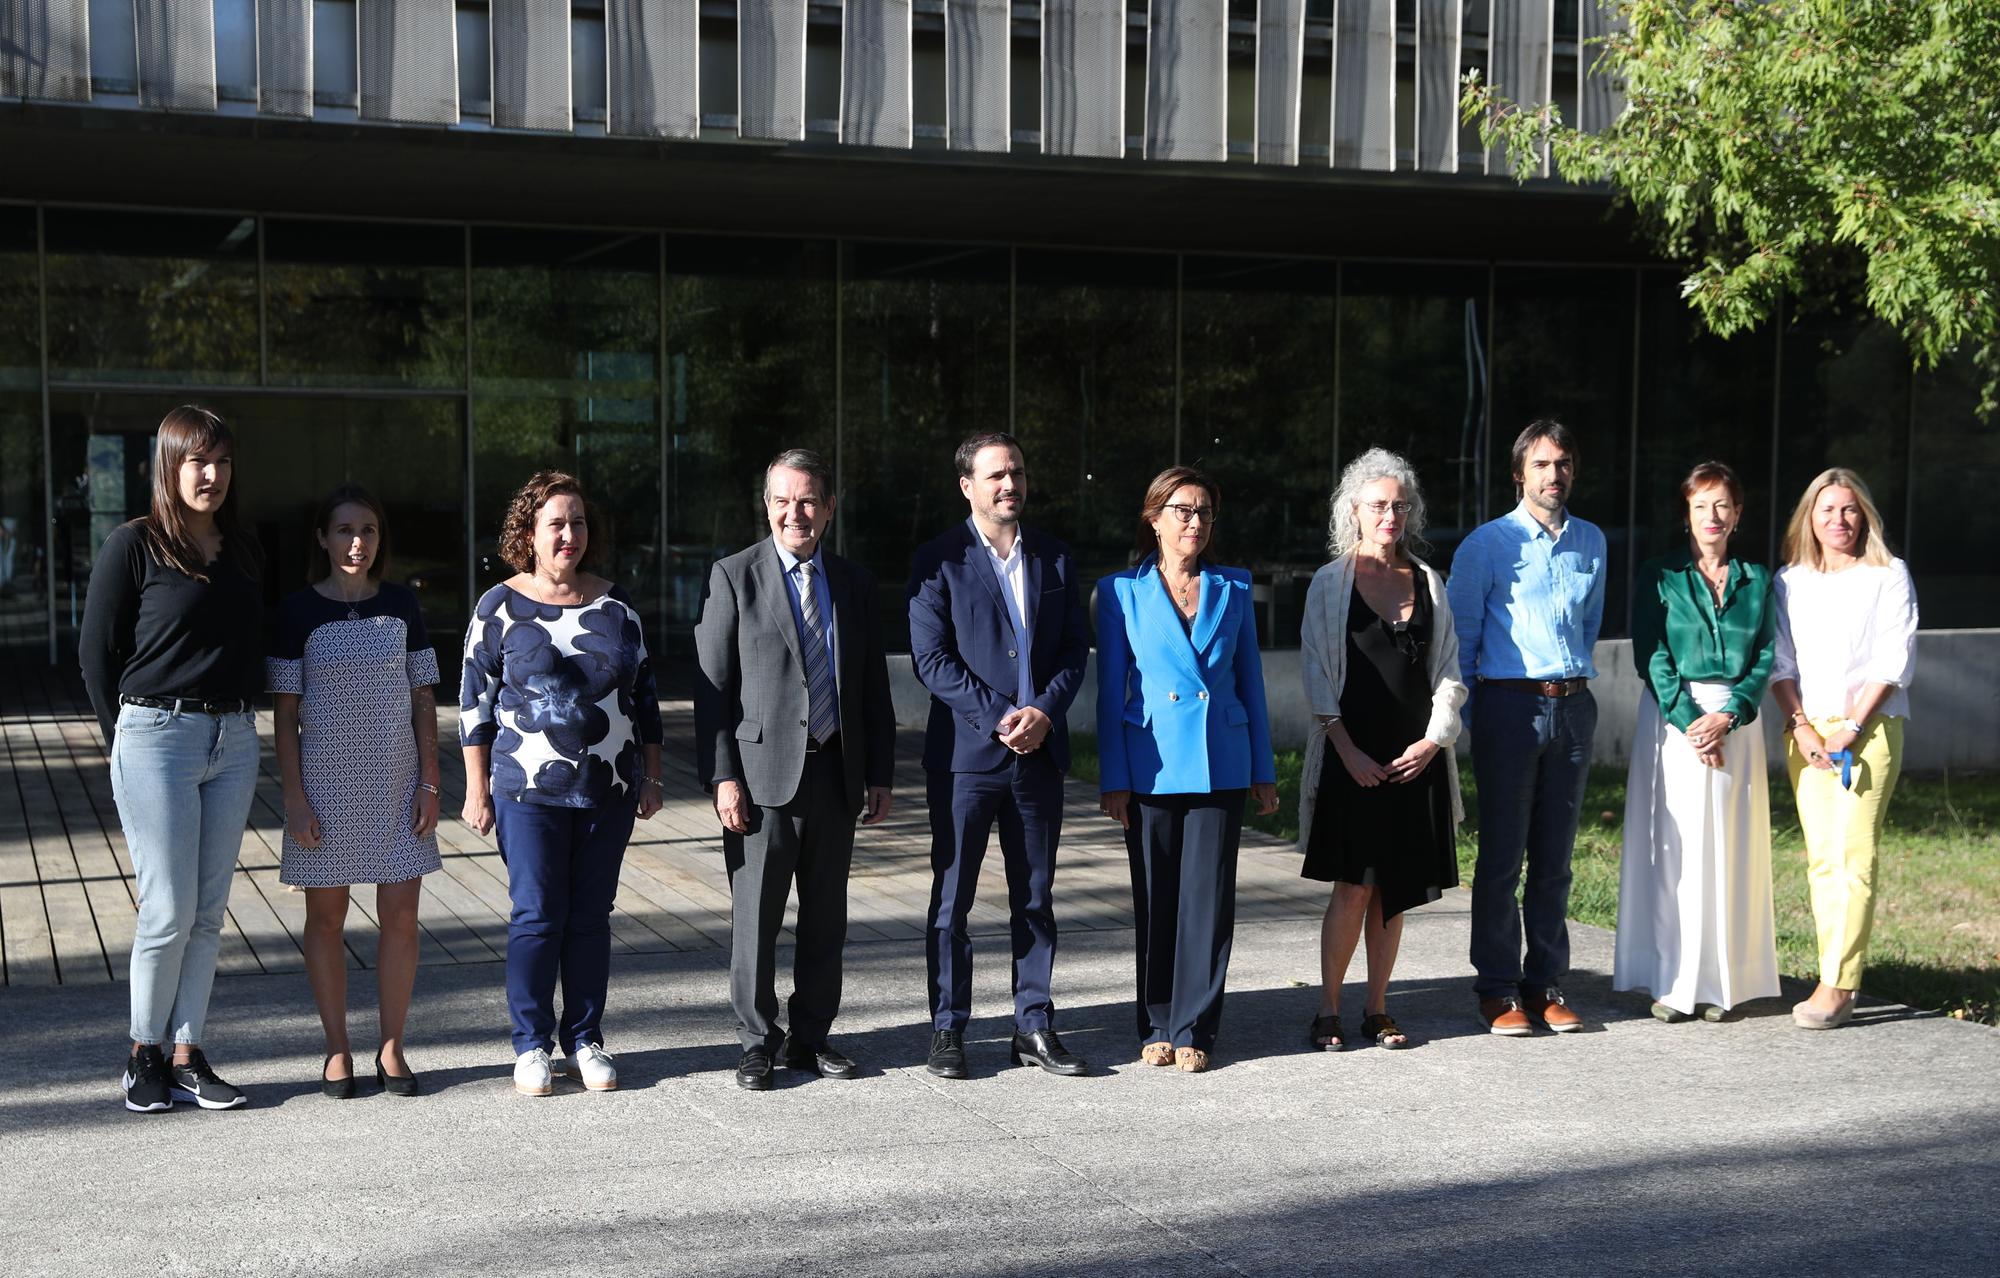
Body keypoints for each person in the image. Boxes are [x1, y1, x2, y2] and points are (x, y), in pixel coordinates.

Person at [694, 448, 896, 1091]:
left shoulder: (855, 583)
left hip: (836, 773)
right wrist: (724, 775)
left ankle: (811, 1037)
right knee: (755, 917)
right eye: (781, 500)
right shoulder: (734, 576)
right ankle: (757, 1040)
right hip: (760, 778)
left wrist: (881, 771)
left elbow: (871, 688)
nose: (794, 513)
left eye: (807, 500)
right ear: (766, 505)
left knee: (826, 916)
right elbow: (713, 690)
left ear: (829, 507)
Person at [80, 405, 262, 1112]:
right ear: (169, 465)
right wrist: (125, 737)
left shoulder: (243, 549)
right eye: (196, 460)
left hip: (234, 742)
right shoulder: (133, 545)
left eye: (220, 460)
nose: (210, 474)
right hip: (157, 738)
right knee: (168, 908)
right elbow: (98, 657)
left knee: (211, 910)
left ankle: (189, 1053)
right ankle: (143, 1052)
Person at [460, 471, 664, 1096]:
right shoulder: (497, 606)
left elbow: (645, 698)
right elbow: (474, 703)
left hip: (608, 786)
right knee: (536, 915)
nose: (569, 534)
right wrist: (474, 789)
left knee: (590, 916)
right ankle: (530, 1045)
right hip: (526, 789)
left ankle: (585, 1039)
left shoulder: (617, 607)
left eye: (577, 522)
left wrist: (651, 776)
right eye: (556, 523)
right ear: (529, 534)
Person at [908, 432, 1091, 1079]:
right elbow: (931, 659)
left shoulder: (1055, 557)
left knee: (1035, 897)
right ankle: (948, 1028)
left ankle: (1034, 1024)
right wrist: (998, 717)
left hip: (1038, 757)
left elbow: (1074, 651)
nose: (1008, 484)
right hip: (965, 759)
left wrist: (1044, 711)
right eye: (995, 475)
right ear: (967, 486)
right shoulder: (940, 559)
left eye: (1015, 471)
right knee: (952, 901)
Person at [1096, 466, 1279, 1073]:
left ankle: (1196, 1025)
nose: (1194, 522)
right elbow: (1109, 691)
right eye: (1181, 510)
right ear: (1154, 518)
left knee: (1208, 901)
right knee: (1156, 899)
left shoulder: (1234, 588)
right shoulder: (1121, 591)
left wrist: (1263, 769)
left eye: (1203, 512)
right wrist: (1114, 780)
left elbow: (1250, 683)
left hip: (1218, 762)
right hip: (1149, 764)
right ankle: (1156, 1021)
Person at [269, 484, 442, 1097]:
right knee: (326, 919)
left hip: (398, 785)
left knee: (401, 918)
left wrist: (429, 780)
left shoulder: (401, 604)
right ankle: (336, 1048)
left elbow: (425, 699)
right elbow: (284, 714)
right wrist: (293, 797)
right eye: (344, 530)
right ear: (322, 538)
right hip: (326, 785)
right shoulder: (295, 611)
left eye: (367, 530)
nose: (357, 542)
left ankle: (392, 1047)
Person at [1297, 449, 1465, 1052]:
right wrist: (1343, 748)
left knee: (1393, 890)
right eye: (1378, 505)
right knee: (1352, 887)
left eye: (1399, 505)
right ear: (1355, 512)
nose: (1390, 515)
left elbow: (1448, 671)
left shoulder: (1427, 581)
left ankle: (1378, 1008)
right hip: (1353, 760)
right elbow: (1316, 674)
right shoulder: (1330, 583)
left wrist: (1433, 739)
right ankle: (1329, 1010)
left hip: (1410, 760)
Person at [1446, 418, 1606, 1036]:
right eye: (1541, 464)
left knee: (1556, 858)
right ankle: (1497, 987)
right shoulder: (1486, 545)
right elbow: (1462, 640)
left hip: (1573, 706)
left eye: (1562, 464)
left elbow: (1587, 626)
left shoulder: (1592, 541)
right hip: (1508, 707)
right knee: (1502, 856)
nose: (1553, 475)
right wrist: (1456, 721)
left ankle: (1546, 982)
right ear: (1520, 474)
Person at [1614, 462, 1780, 1023]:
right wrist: (1691, 722)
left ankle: (1725, 982)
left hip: (1739, 723)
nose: (1712, 516)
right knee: (1675, 851)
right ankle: (1674, 980)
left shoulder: (1758, 578)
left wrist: (1730, 715)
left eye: (1723, 505)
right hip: (1672, 719)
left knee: (1731, 848)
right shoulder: (1659, 574)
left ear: (1738, 513)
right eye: (1701, 505)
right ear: (1685, 512)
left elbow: (1765, 655)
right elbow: (1651, 654)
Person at [1769, 467, 1917, 1030]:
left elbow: (1891, 662)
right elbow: (1781, 664)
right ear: (1810, 517)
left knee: (1855, 858)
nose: (1839, 520)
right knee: (1822, 860)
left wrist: (1850, 728)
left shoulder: (1888, 574)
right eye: (1827, 510)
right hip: (1806, 736)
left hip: (1868, 732)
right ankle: (1832, 970)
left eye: (1850, 509)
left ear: (1866, 517)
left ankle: (1839, 984)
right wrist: (1802, 726)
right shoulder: (1790, 580)